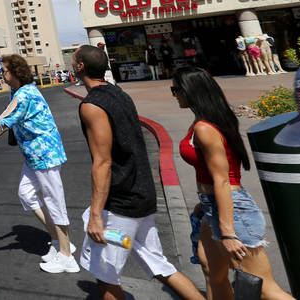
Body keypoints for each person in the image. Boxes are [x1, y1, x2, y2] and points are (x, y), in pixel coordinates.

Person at [73, 45, 204, 300]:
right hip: (142, 195)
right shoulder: (120, 94)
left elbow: (102, 162)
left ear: (80, 67)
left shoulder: (91, 105)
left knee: (106, 276)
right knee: (160, 266)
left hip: (120, 204)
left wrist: (96, 215)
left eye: (74, 61)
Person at [172, 67, 295, 300]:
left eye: (176, 90)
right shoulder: (205, 121)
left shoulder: (204, 128)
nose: (174, 95)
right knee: (211, 269)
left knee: (265, 289)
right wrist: (204, 204)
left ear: (190, 90)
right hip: (213, 206)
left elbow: (222, 179)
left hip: (231, 210)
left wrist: (228, 233)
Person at [0, 54, 77, 273]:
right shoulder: (17, 92)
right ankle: (58, 241)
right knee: (26, 194)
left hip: (45, 154)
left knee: (54, 201)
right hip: (33, 156)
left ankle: (67, 256)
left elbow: (4, 121)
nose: (1, 74)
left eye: (4, 70)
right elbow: (8, 118)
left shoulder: (25, 94)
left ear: (16, 72)